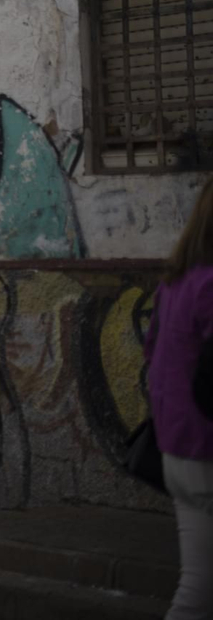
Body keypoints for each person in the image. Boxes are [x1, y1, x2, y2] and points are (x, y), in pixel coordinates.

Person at [145, 175, 213, 620]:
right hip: (206, 448)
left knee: (198, 588)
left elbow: (152, 354)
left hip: (176, 450)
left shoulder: (176, 282)